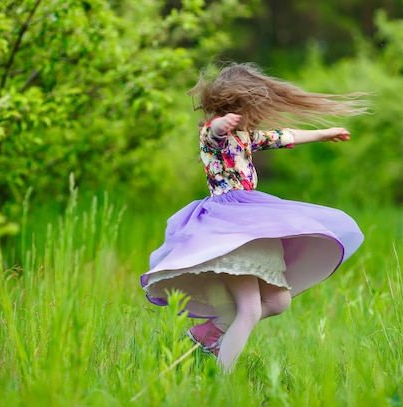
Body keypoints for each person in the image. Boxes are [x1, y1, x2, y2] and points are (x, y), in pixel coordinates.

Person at [140, 62, 368, 372]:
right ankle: (224, 382)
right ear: (229, 105)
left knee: (278, 302)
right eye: (247, 107)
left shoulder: (249, 136)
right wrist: (223, 123)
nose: (253, 113)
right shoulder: (212, 133)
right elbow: (214, 133)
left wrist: (325, 133)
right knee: (248, 310)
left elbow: (285, 136)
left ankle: (206, 333)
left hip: (252, 218)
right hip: (230, 224)